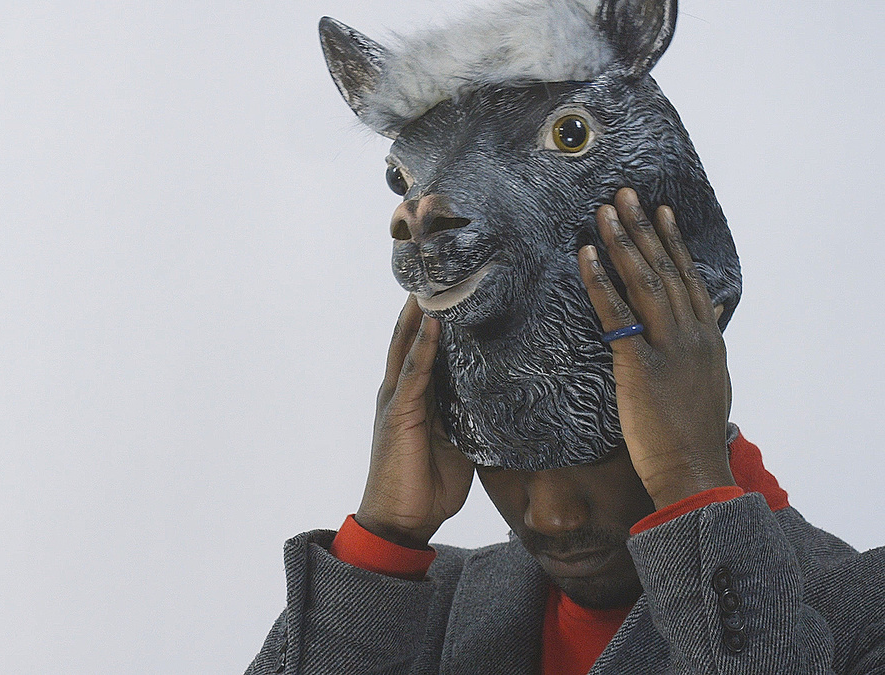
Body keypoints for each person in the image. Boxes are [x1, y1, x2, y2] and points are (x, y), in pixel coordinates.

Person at [246, 190, 885, 674]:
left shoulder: (866, 614)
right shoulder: (410, 611)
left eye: (587, 443)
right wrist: (384, 539)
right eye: (504, 444)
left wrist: (691, 485)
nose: (550, 517)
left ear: (691, 391)